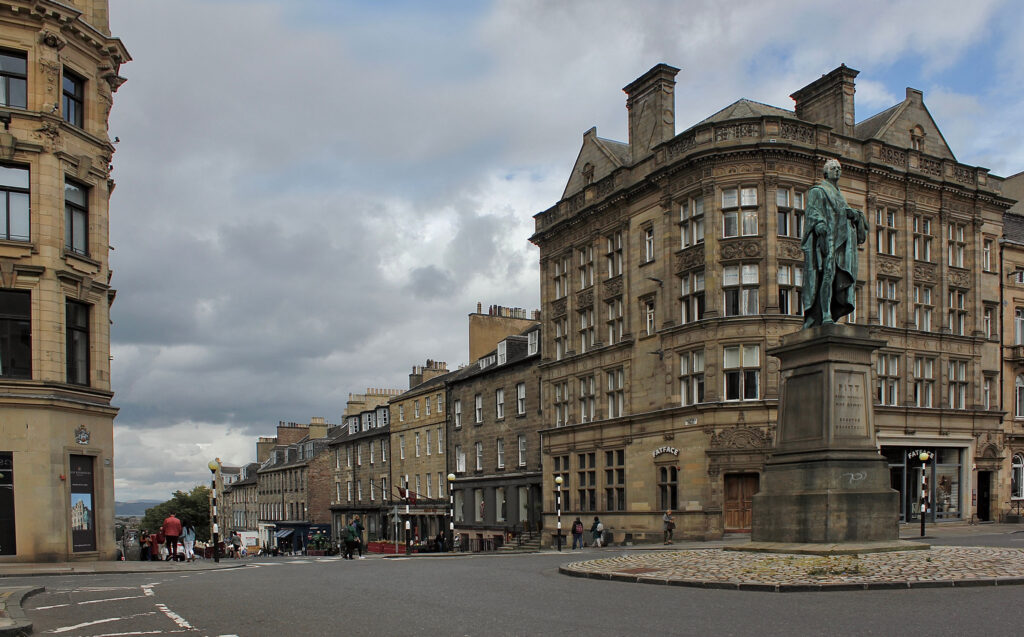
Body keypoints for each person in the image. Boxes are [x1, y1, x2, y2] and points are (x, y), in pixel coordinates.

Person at [801, 158, 868, 328]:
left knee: (835, 276)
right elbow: (812, 212)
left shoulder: (839, 194)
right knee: (827, 275)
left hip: (840, 241)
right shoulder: (818, 191)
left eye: (839, 168)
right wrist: (819, 223)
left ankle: (829, 312)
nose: (837, 171)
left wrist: (854, 214)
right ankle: (825, 314)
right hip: (826, 240)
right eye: (833, 168)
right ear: (826, 172)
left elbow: (841, 213)